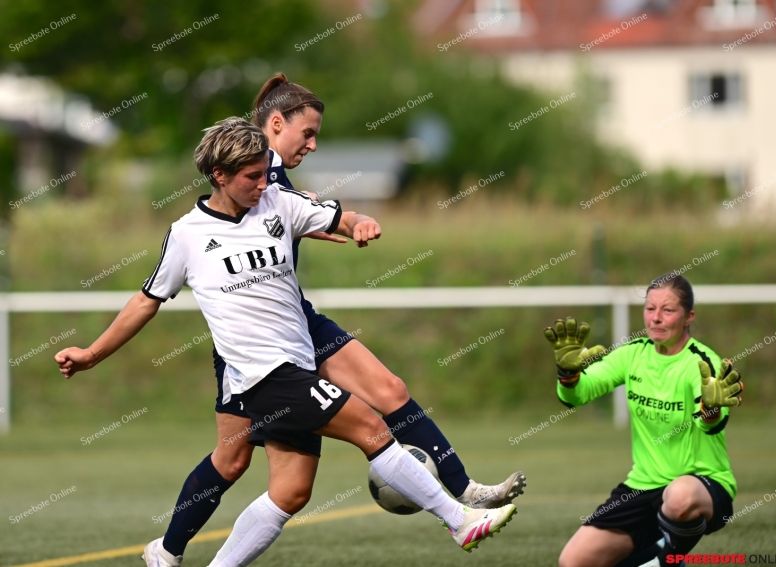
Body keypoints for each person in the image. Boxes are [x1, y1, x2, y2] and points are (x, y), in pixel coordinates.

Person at [55, 118, 517, 566]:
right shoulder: (187, 236)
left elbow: (339, 216)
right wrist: (92, 354)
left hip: (297, 366)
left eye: (264, 173)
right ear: (219, 175)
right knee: (371, 427)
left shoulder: (277, 203)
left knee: (292, 490)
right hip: (263, 377)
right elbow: (145, 301)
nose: (263, 184)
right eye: (252, 176)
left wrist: (359, 223)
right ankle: (459, 521)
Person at [543, 274, 743, 567]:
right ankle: (652, 555)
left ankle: (668, 560)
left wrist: (711, 410)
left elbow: (712, 421)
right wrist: (568, 376)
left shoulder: (700, 361)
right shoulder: (632, 354)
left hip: (704, 487)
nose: (656, 318)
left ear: (689, 317)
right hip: (642, 486)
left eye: (668, 310)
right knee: (573, 561)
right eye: (650, 309)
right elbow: (578, 395)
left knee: (678, 497)